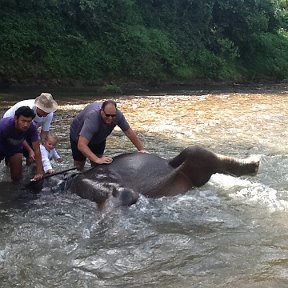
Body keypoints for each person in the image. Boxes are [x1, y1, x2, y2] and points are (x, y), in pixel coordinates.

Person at [70, 100, 147, 170]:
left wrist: (141, 149)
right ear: (102, 111)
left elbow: (128, 132)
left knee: (97, 165)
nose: (110, 118)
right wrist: (97, 159)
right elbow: (81, 145)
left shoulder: (118, 116)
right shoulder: (92, 118)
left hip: (99, 137)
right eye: (107, 115)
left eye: (113, 116)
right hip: (78, 136)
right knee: (79, 166)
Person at [3, 93, 58, 163]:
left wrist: (44, 149)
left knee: (36, 152)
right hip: (13, 126)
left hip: (30, 128)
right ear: (38, 107)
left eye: (48, 111)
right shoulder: (28, 109)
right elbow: (20, 136)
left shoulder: (49, 113)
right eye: (44, 110)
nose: (46, 113)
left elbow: (44, 133)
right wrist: (30, 150)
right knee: (14, 151)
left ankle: (29, 167)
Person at [0, 106, 43, 182]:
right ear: (16, 119)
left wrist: (39, 172)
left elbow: (37, 150)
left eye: (29, 121)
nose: (26, 124)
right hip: (1, 146)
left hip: (14, 149)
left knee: (17, 178)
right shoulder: (4, 126)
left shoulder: (32, 127)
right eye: (23, 121)